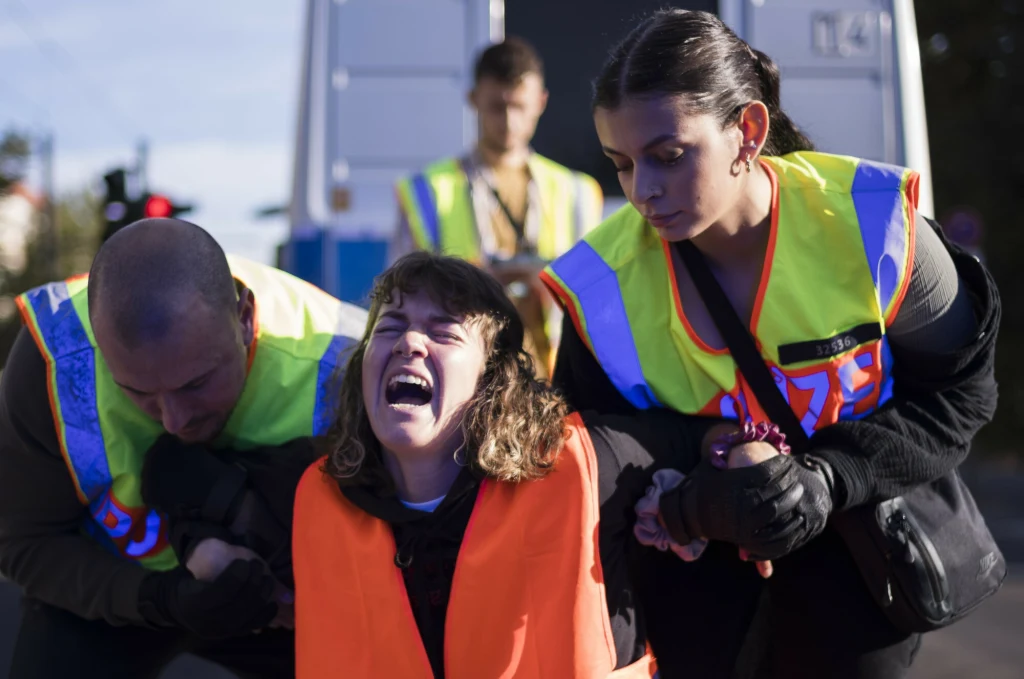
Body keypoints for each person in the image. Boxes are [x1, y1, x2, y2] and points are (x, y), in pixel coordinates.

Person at [541, 10, 1000, 679]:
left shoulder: (875, 226)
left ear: (747, 132)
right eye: (621, 164)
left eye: (669, 156)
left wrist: (827, 478)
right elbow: (586, 453)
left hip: (860, 574)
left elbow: (960, 399)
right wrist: (693, 484)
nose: (643, 191)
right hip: (694, 593)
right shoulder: (598, 285)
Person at [292, 252, 733, 678]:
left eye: (443, 332)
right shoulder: (317, 495)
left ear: (491, 377)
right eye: (389, 327)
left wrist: (716, 480)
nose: (409, 342)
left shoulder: (585, 463)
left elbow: (713, 436)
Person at [0, 218, 368, 678]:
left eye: (196, 383)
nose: (174, 420)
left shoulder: (352, 367)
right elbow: (25, 544)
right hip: (119, 592)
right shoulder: (55, 362)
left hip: (287, 604)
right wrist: (164, 599)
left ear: (245, 318)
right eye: (135, 391)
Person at [392, 37, 604, 377]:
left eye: (519, 106)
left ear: (541, 101)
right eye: (496, 106)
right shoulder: (427, 190)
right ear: (473, 100)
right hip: (465, 375)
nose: (508, 120)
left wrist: (545, 283)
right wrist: (477, 282)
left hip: (552, 375)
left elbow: (596, 298)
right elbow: (401, 296)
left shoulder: (575, 191)